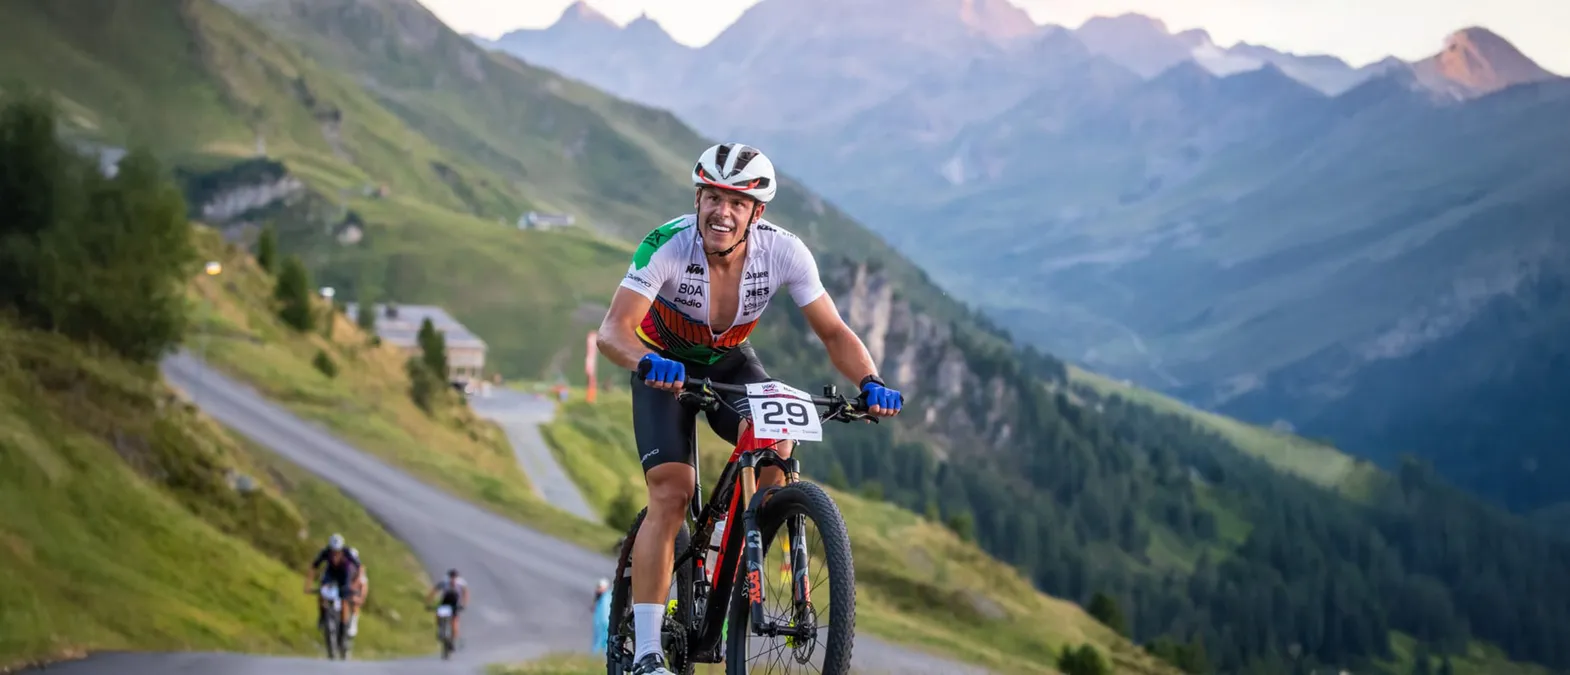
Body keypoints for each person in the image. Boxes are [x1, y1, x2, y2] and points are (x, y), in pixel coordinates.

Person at [595, 142, 904, 675]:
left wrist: (870, 381)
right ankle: (647, 650)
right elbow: (612, 332)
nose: (722, 211)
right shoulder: (666, 245)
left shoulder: (784, 251)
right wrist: (647, 362)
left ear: (756, 213)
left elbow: (833, 332)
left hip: (729, 362)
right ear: (698, 197)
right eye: (713, 197)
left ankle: (744, 567)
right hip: (662, 366)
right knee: (672, 493)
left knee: (777, 445)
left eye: (737, 202)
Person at [304, 533, 365, 636]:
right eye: (333, 552)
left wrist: (355, 583)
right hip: (331, 573)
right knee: (322, 592)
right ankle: (322, 616)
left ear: (341, 549)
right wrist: (307, 585)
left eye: (337, 552)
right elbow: (314, 566)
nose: (335, 555)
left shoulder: (347, 552)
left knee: (344, 599)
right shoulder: (325, 552)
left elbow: (360, 567)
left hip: (344, 573)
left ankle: (343, 627)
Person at [426, 568, 469, 646]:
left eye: (454, 577)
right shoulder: (444, 582)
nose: (453, 580)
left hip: (455, 603)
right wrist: (429, 602)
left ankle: (453, 640)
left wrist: (464, 604)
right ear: (449, 577)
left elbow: (465, 593)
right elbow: (434, 591)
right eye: (451, 577)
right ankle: (440, 630)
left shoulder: (461, 584)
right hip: (446, 602)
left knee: (454, 622)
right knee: (439, 614)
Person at [591, 578, 612, 654]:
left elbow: (605, 611)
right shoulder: (600, 597)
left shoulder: (606, 597)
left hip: (604, 622)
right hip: (600, 622)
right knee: (599, 640)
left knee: (603, 640)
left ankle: (601, 656)